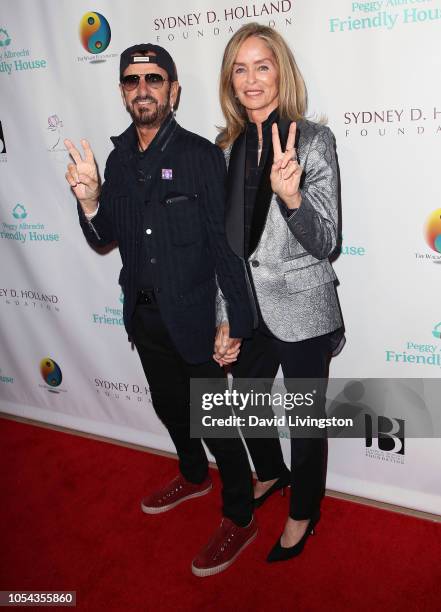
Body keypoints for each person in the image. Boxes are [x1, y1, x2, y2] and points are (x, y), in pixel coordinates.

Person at [64, 43, 258, 577]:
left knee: (217, 424)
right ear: (123, 91)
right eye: (132, 79)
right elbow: (105, 238)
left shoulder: (199, 156)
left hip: (196, 319)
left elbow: (227, 250)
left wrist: (232, 320)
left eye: (154, 78)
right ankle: (194, 476)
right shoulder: (117, 158)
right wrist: (88, 202)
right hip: (144, 319)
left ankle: (240, 517)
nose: (143, 88)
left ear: (173, 89)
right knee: (173, 411)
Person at [214, 23, 344, 562]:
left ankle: (304, 510)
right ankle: (271, 471)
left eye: (261, 66)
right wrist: (224, 317)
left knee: (307, 422)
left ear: (280, 72)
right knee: (240, 402)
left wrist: (292, 201)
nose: (250, 80)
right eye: (239, 69)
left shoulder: (313, 140)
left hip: (304, 306)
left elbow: (329, 240)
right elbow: (226, 248)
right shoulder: (226, 147)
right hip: (248, 308)